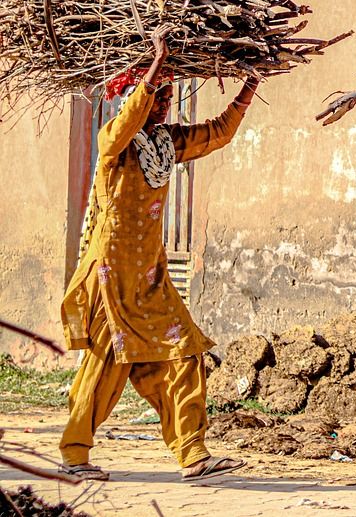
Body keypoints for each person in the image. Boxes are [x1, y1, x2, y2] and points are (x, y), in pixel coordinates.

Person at [58, 29, 260, 482]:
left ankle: (194, 455)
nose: (162, 103)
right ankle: (74, 456)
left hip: (149, 279)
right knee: (104, 366)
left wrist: (252, 83)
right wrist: (156, 64)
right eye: (155, 96)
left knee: (184, 353)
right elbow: (129, 119)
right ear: (136, 97)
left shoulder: (165, 145)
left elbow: (220, 133)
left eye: (167, 95)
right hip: (109, 278)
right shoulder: (115, 141)